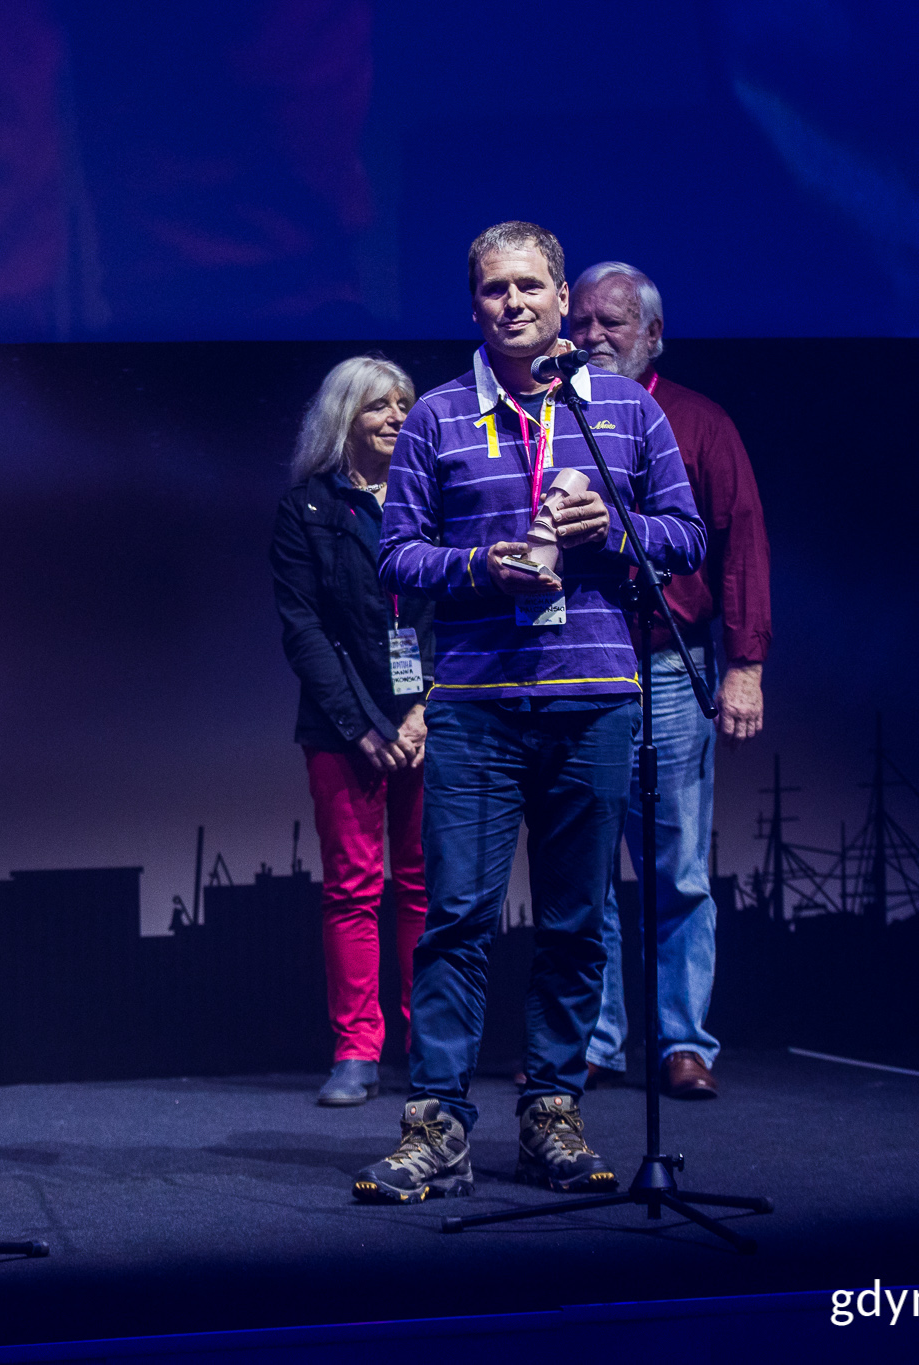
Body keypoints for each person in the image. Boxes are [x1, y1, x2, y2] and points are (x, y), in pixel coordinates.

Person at [352, 222, 706, 1204]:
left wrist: (614, 529)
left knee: (574, 921)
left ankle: (551, 1114)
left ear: (560, 300)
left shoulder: (624, 415)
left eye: (529, 288)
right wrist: (477, 564)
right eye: (492, 290)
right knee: (455, 920)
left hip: (594, 701)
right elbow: (395, 557)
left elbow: (683, 539)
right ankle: (434, 1129)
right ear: (472, 305)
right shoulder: (433, 417)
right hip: (473, 705)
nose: (511, 304)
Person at [569, 261, 771, 1101]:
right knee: (585, 866)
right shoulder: (552, 418)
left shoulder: (696, 420)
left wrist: (746, 666)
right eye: (581, 322)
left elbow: (742, 541)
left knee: (677, 865)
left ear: (653, 333)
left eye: (612, 322)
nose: (592, 337)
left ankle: (685, 1041)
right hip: (577, 660)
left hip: (671, 661)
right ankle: (594, 1039)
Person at [271, 357, 438, 1107]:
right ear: (346, 417)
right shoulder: (305, 508)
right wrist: (365, 725)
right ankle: (356, 1049)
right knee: (353, 887)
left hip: (430, 720)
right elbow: (304, 630)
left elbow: (449, 611)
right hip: (344, 728)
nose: (398, 415)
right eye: (380, 405)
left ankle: (429, 1043)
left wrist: (424, 709)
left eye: (405, 402)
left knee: (426, 886)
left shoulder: (435, 499)